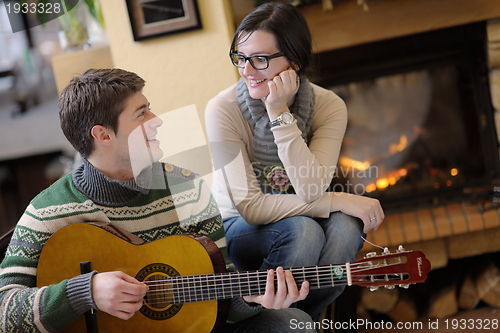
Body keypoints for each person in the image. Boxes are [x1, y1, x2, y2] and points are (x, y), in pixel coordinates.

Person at [0, 68, 317, 333]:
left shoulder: (188, 188)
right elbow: (4, 310)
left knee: (294, 322)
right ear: (103, 135)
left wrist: (253, 299)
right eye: (141, 114)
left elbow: (220, 296)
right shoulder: (47, 211)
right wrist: (85, 292)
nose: (157, 120)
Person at [205, 2, 385, 320]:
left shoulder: (329, 106)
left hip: (298, 214)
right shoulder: (222, 109)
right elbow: (251, 207)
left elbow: (311, 187)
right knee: (304, 232)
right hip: (238, 228)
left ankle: (292, 321)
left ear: (294, 61)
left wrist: (279, 114)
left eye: (260, 60)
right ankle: (271, 321)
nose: (246, 71)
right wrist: (340, 198)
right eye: (240, 58)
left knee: (346, 229)